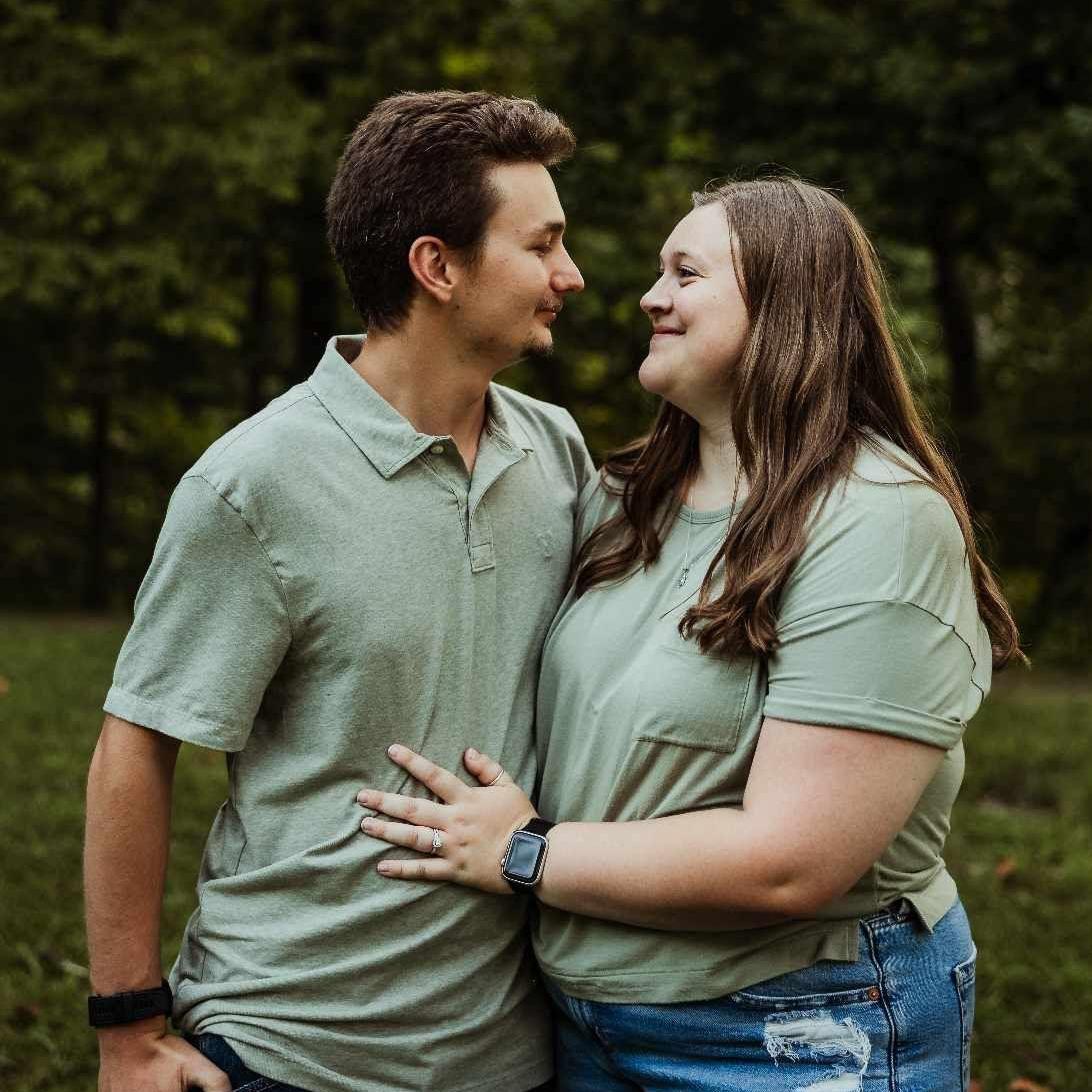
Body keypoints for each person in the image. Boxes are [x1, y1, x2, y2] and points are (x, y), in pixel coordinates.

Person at [351, 177, 1024, 1091]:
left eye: (686, 272)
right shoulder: (630, 500)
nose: (648, 296)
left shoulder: (876, 519)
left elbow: (792, 862)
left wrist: (524, 850)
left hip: (795, 1022)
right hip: (586, 1021)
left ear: (789, 303)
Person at [84, 90, 592, 1092]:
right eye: (542, 247)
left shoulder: (559, 453)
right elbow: (135, 745)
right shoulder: (254, 484)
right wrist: (127, 1032)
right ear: (437, 267)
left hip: (510, 1057)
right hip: (287, 1049)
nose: (569, 277)